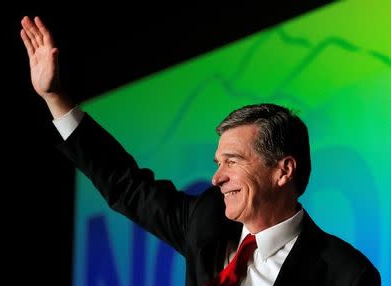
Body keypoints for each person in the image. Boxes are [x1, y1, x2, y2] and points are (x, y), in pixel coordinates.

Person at [20, 16, 381, 286]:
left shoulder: (347, 274)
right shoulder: (205, 220)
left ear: (283, 171)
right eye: (217, 162)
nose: (216, 177)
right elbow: (125, 184)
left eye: (233, 161)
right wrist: (55, 98)